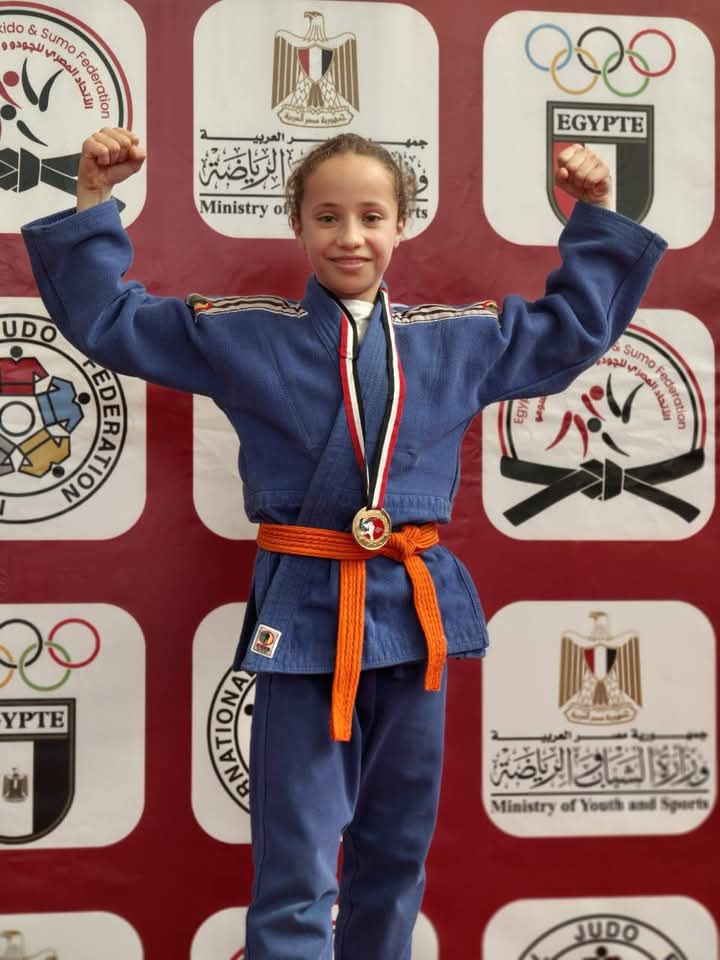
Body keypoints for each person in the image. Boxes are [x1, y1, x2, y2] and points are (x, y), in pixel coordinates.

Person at [21, 128, 666, 959]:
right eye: (327, 217)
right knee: (296, 870)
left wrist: (599, 213)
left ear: (403, 225)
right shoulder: (244, 333)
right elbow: (111, 321)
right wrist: (93, 200)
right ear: (296, 225)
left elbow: (572, 328)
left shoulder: (457, 338)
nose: (350, 237)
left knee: (395, 860)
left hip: (414, 621)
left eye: (371, 216)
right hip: (306, 618)